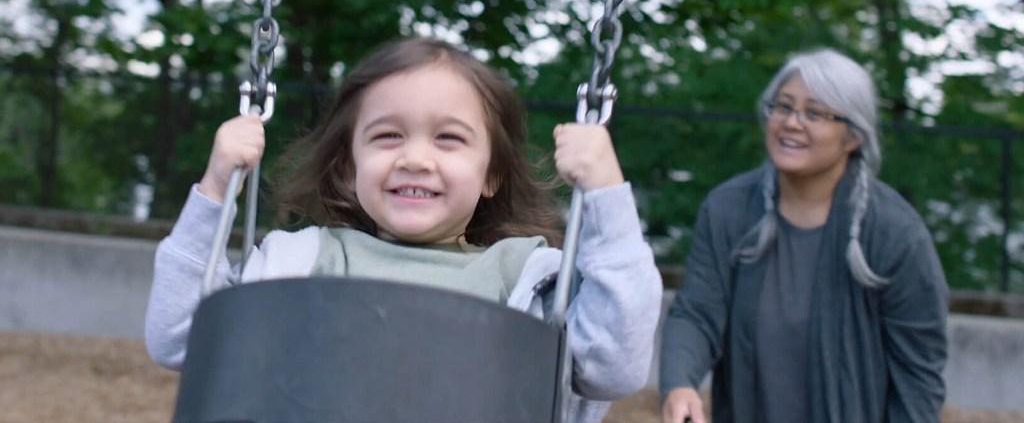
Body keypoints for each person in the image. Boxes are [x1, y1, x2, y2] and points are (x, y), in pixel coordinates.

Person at [145, 37, 662, 423]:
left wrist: (608, 197)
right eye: (388, 136)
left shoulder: (526, 280)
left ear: (492, 174)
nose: (415, 158)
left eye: (449, 139)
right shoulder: (299, 266)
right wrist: (214, 189)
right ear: (349, 167)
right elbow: (180, 340)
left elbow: (613, 367)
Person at [659, 48, 949, 423]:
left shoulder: (896, 233)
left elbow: (918, 377)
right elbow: (698, 312)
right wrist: (679, 382)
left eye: (814, 113)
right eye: (782, 107)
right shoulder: (728, 210)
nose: (792, 123)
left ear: (853, 137)